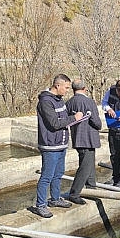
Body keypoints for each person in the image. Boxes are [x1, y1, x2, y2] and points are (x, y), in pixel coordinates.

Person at [34, 74, 83, 218]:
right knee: (46, 176)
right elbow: (54, 123)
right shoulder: (46, 102)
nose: (68, 90)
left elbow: (63, 118)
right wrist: (73, 118)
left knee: (58, 174)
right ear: (57, 86)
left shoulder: (60, 101)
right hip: (50, 145)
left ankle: (55, 199)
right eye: (66, 88)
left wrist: (73, 117)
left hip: (61, 144)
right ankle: (41, 205)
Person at [65, 79, 102, 205]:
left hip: (77, 137)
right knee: (85, 167)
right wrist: (99, 125)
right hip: (89, 138)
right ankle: (74, 193)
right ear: (85, 88)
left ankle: (91, 187)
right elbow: (96, 122)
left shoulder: (69, 103)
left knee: (89, 163)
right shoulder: (89, 102)